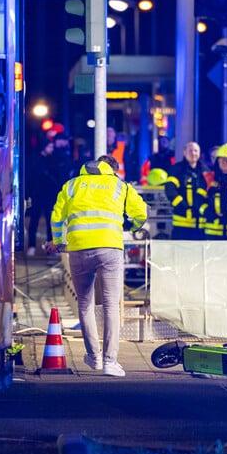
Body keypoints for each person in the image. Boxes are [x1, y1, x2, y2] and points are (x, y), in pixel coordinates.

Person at [44, 155, 148, 377]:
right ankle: (110, 361)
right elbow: (141, 213)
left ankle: (94, 357)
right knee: (111, 305)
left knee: (85, 304)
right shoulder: (120, 186)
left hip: (78, 249)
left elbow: (57, 216)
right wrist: (129, 227)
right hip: (110, 248)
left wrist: (59, 242)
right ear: (112, 170)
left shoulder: (71, 185)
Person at [164, 141, 211, 239]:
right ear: (184, 152)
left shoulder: (206, 171)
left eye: (196, 151)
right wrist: (183, 207)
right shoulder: (176, 170)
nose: (193, 153)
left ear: (199, 153)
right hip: (182, 224)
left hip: (201, 225)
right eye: (190, 151)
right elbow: (170, 190)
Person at [200, 143, 227, 239]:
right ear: (217, 161)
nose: (225, 162)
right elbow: (199, 201)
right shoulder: (208, 177)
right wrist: (208, 213)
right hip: (212, 231)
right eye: (222, 159)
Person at [24, 138, 56, 255]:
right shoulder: (35, 160)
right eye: (50, 147)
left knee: (49, 223)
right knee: (34, 221)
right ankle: (31, 246)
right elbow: (30, 178)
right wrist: (28, 194)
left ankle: (49, 248)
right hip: (37, 195)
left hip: (48, 196)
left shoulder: (51, 160)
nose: (52, 149)